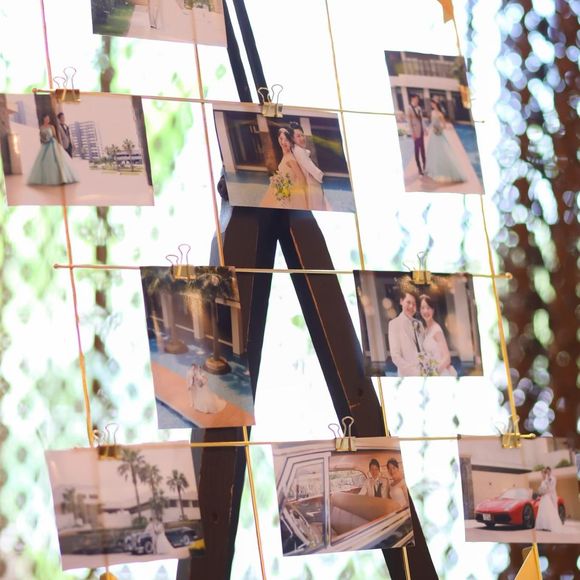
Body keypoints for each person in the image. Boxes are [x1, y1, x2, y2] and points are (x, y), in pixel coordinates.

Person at [27, 114, 78, 186]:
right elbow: (41, 137)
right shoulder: (41, 127)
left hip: (52, 143)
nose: (47, 120)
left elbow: (54, 136)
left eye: (48, 119)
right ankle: (46, 178)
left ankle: (61, 177)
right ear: (44, 119)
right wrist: (43, 140)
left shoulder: (52, 127)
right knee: (45, 161)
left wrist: (57, 144)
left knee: (57, 160)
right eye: (46, 118)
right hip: (45, 145)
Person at [263, 128, 308, 208]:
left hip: (289, 196)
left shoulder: (290, 158)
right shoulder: (286, 154)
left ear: (291, 141)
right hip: (283, 193)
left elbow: (302, 179)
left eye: (286, 140)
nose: (283, 142)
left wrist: (291, 193)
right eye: (281, 139)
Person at [424, 99, 466, 184]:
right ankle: (434, 171)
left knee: (443, 152)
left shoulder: (440, 114)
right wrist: (428, 129)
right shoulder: (432, 112)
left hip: (439, 134)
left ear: (436, 104)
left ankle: (446, 171)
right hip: (433, 135)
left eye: (433, 104)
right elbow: (432, 123)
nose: (432, 105)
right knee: (434, 152)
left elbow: (444, 126)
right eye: (431, 104)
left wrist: (439, 129)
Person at [287, 121, 327, 210]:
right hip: (311, 185)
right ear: (292, 139)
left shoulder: (296, 149)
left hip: (310, 184)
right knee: (317, 207)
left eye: (302, 135)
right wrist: (322, 176)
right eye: (298, 136)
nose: (302, 138)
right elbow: (310, 167)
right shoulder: (299, 151)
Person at [418, 294, 457, 377]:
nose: (426, 311)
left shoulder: (436, 330)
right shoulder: (425, 329)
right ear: (420, 310)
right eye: (423, 308)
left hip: (440, 373)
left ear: (433, 310)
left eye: (428, 308)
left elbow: (447, 358)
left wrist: (433, 373)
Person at [387, 290, 423, 376]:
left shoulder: (419, 324)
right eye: (408, 302)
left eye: (414, 304)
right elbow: (395, 356)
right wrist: (415, 372)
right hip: (407, 375)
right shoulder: (394, 324)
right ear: (401, 301)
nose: (411, 306)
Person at [535, 468, 563, 532]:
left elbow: (548, 488)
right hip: (543, 497)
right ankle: (542, 526)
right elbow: (541, 489)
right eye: (541, 474)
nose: (542, 475)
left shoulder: (547, 480)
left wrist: (544, 492)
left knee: (547, 510)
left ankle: (548, 526)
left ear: (545, 474)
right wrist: (540, 493)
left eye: (543, 474)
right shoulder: (542, 481)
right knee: (542, 511)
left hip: (546, 496)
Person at [406, 94, 426, 176]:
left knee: (423, 149)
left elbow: (421, 119)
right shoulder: (409, 108)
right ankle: (419, 168)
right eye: (416, 99)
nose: (417, 100)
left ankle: (425, 166)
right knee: (417, 150)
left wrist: (424, 129)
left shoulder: (419, 108)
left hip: (421, 131)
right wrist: (412, 134)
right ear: (412, 99)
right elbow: (409, 122)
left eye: (418, 99)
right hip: (415, 132)